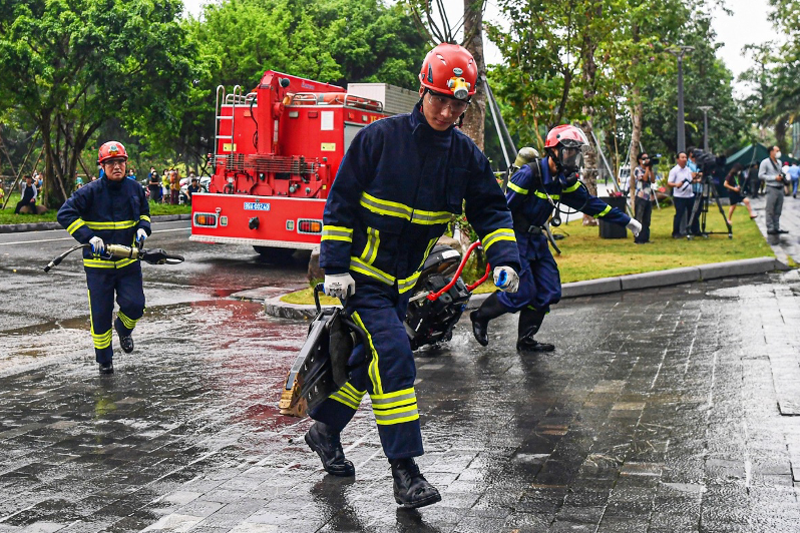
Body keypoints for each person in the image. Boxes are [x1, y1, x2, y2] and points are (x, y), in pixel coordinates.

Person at [309, 43, 521, 509]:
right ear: (423, 92)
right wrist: (335, 268)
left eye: (457, 103)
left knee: (371, 365)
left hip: (403, 286)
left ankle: (324, 430)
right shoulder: (378, 139)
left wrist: (506, 259)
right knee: (394, 353)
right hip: (359, 280)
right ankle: (405, 472)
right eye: (438, 99)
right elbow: (340, 204)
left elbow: (491, 209)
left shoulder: (465, 156)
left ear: (467, 105)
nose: (446, 111)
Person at [470, 125, 640, 354]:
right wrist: (495, 243)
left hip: (535, 239)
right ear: (554, 151)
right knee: (522, 291)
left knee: (549, 289)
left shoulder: (563, 182)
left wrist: (626, 221)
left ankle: (526, 339)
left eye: (576, 152)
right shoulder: (529, 174)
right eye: (570, 152)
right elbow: (502, 209)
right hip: (515, 237)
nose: (574, 157)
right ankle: (480, 317)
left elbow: (592, 205)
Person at [57, 141, 151, 374]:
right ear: (102, 166)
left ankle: (123, 328)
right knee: (100, 314)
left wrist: (142, 229)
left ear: (126, 164)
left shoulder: (135, 189)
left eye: (120, 162)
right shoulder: (89, 192)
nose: (116, 166)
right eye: (110, 163)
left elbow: (145, 215)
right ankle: (104, 361)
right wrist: (89, 237)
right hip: (98, 266)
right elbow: (65, 213)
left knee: (136, 305)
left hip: (129, 262)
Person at [667, 151, 700, 238]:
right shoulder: (674, 170)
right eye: (682, 157)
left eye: (685, 157)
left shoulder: (688, 169)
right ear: (678, 159)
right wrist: (676, 185)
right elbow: (669, 183)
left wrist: (696, 180)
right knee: (679, 214)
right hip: (679, 196)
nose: (684, 159)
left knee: (693, 213)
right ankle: (676, 232)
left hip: (690, 195)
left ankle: (694, 230)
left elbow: (690, 181)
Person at [759, 145, 787, 235]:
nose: (778, 152)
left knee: (778, 209)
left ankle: (776, 227)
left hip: (780, 188)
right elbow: (761, 175)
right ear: (771, 152)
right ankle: (770, 227)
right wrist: (774, 178)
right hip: (771, 187)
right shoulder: (765, 162)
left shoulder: (779, 162)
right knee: (770, 209)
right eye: (777, 151)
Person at [632, 153, 654, 244]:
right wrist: (647, 168)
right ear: (640, 160)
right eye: (644, 158)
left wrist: (650, 169)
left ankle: (645, 238)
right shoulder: (637, 170)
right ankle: (638, 238)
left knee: (647, 219)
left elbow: (652, 180)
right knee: (639, 218)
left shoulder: (648, 170)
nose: (646, 160)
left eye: (647, 158)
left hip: (648, 197)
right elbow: (644, 179)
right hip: (640, 197)